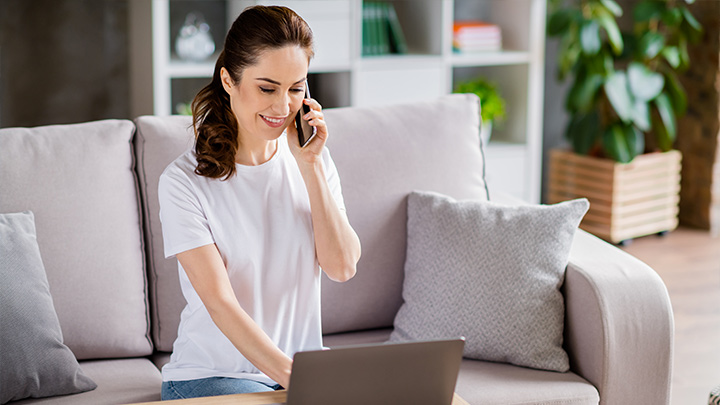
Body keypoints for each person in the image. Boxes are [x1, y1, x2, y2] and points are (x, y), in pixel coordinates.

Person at [157, 5, 361, 400]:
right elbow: (221, 305)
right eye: (267, 88)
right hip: (211, 375)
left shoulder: (311, 159)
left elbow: (342, 266)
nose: (283, 107)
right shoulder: (183, 183)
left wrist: (312, 166)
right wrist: (300, 378)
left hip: (298, 372)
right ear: (228, 80)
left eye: (296, 88)